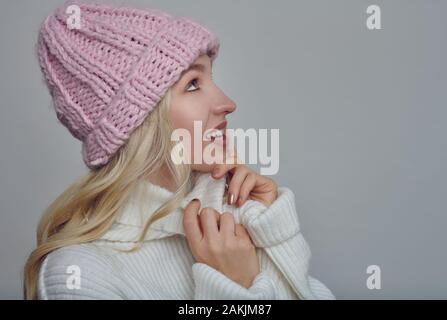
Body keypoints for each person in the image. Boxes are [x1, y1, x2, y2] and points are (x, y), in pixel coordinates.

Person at [23, 1, 335, 300]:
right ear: (137, 122)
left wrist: (273, 230)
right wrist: (234, 287)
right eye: (192, 84)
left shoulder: (231, 213)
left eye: (210, 77)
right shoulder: (78, 275)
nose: (227, 103)